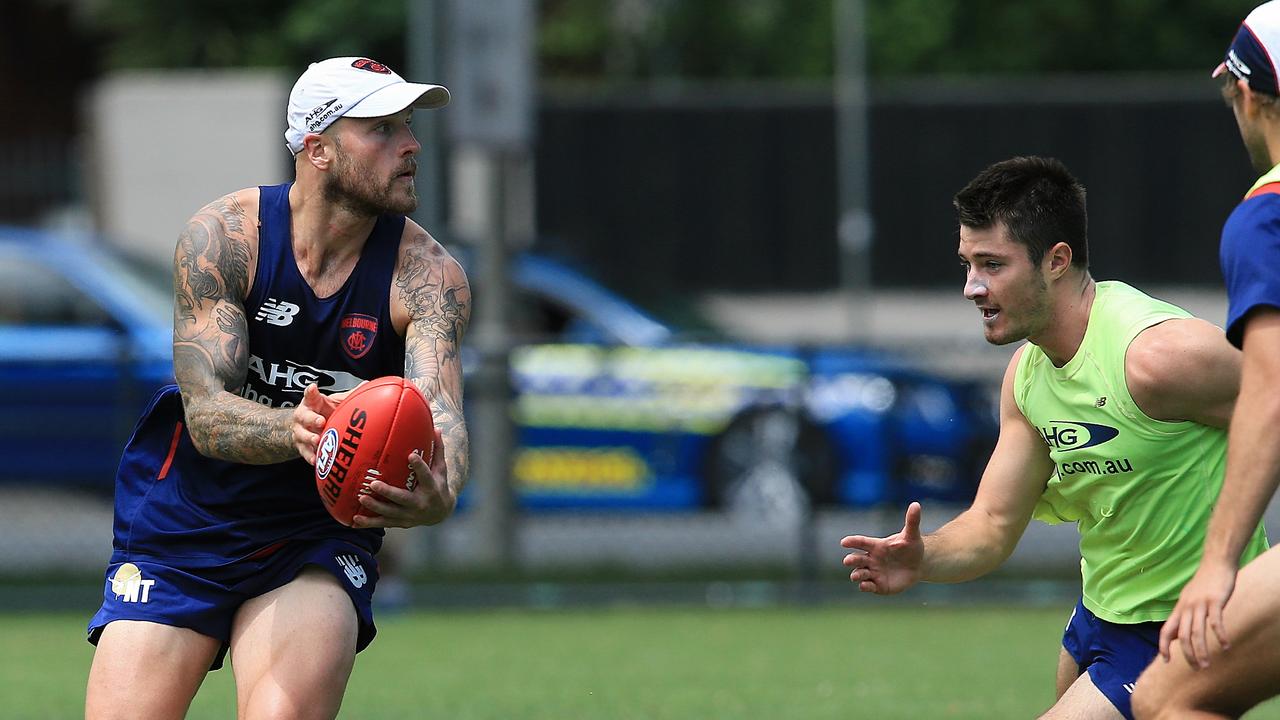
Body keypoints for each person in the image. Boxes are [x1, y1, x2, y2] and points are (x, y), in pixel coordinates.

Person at [83, 57, 470, 720]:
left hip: (313, 532)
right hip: (187, 520)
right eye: (381, 128)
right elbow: (206, 417)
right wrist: (299, 429)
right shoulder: (227, 240)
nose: (411, 145)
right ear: (317, 149)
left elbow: (443, 415)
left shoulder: (427, 276)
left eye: (407, 125)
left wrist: (442, 490)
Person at [840, 156, 1268, 720]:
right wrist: (923, 560)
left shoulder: (1157, 356)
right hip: (1101, 616)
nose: (972, 287)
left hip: (1185, 623)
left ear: (1056, 261)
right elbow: (993, 524)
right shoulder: (1028, 375)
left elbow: (1274, 408)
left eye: (993, 265)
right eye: (967, 265)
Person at [1132, 3, 1280, 718]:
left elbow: (1271, 390)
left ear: (1248, 95)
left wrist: (1219, 563)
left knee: (1171, 694)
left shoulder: (1266, 217)